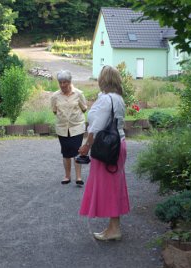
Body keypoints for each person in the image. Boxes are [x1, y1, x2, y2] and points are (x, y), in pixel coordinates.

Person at [78, 65, 130, 241]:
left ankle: (114, 229)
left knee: (109, 187)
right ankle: (112, 227)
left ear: (103, 80)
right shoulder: (118, 99)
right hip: (118, 144)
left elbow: (97, 126)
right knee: (114, 185)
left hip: (107, 147)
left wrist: (86, 146)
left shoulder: (106, 99)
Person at [51, 70, 88, 185]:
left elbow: (84, 108)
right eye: (60, 82)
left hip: (76, 127)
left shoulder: (78, 94)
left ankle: (78, 177)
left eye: (65, 82)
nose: (62, 85)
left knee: (77, 150)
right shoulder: (55, 96)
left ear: (70, 82)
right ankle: (67, 176)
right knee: (66, 152)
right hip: (62, 128)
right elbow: (54, 110)